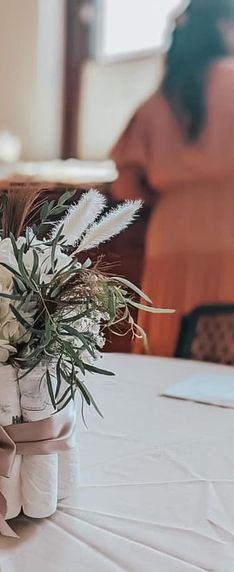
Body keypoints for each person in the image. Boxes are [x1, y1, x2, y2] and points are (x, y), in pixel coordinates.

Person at [111, 0, 234, 357]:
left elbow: (125, 185)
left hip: (173, 235)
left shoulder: (157, 101)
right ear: (225, 27)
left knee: (169, 348)